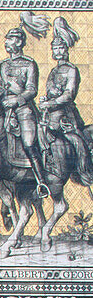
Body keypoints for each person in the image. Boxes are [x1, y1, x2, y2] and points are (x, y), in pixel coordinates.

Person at [0, 15, 48, 195]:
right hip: (5, 109)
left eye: (10, 39)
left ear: (19, 42)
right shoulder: (2, 65)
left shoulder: (29, 64)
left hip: (24, 109)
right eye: (7, 38)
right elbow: (0, 87)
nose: (7, 42)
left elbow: (31, 90)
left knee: (28, 143)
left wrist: (16, 100)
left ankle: (41, 181)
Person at [41, 16, 93, 185]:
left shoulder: (71, 70)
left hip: (65, 113)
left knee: (75, 140)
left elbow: (69, 94)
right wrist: (45, 99)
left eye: (59, 48)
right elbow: (51, 92)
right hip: (50, 112)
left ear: (66, 49)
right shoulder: (53, 71)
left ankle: (82, 170)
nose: (56, 51)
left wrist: (50, 103)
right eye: (54, 48)